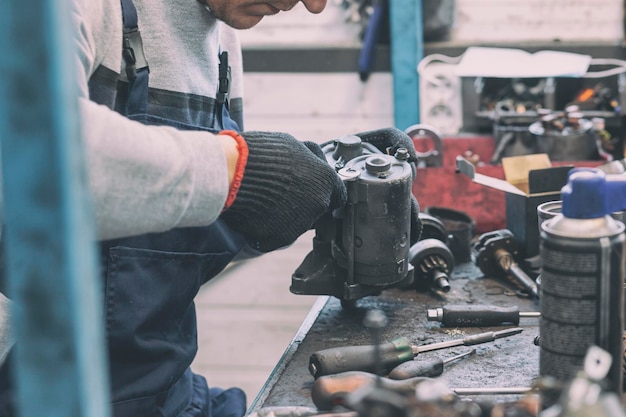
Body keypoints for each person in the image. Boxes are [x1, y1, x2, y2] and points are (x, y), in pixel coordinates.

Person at [0, 0, 423, 416]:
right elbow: (36, 163)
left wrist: (323, 189)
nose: (312, 6)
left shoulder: (221, 27)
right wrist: (236, 170)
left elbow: (162, 232)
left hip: (161, 392)